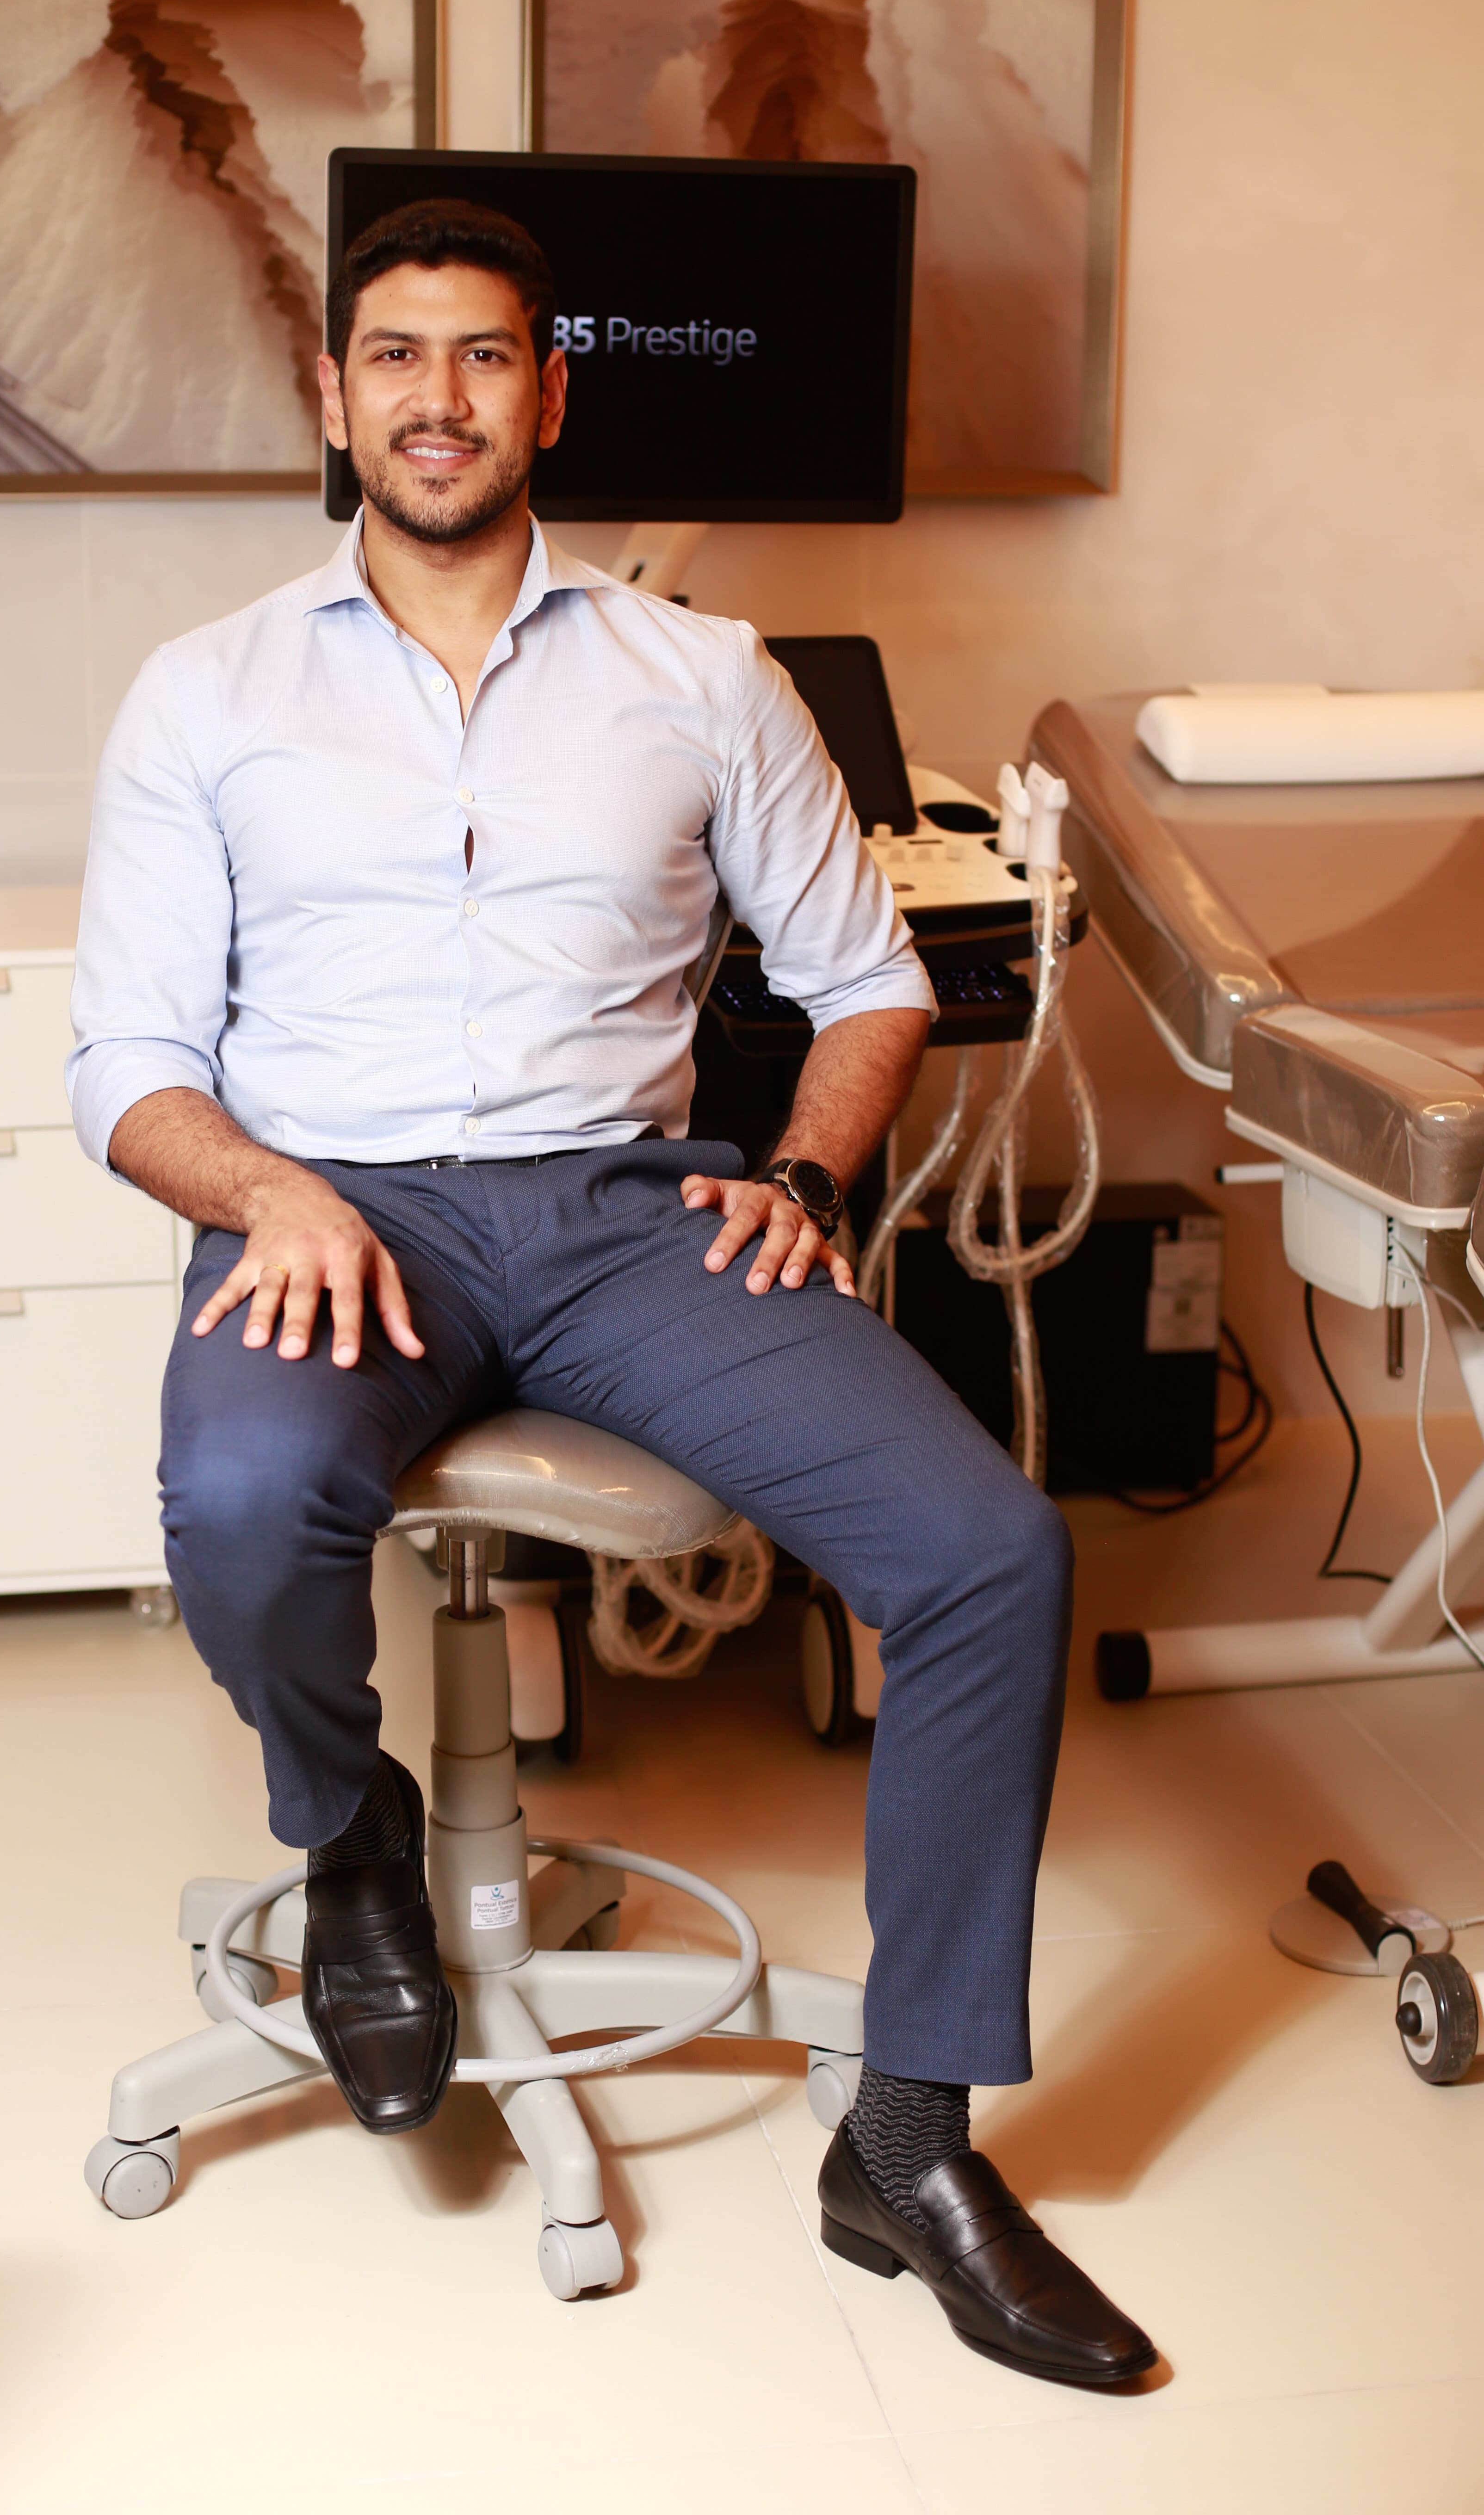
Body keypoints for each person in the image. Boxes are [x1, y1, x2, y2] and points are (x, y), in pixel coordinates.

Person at [68, 197, 1154, 2387]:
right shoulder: (210, 691)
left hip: (630, 1211)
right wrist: (265, 1194)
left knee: (987, 1555)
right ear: (337, 395)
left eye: (482, 357)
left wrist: (814, 1176)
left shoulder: (704, 674)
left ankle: (914, 2133)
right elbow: (131, 1069)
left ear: (550, 392)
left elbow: (867, 986)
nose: (438, 398)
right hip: (333, 1207)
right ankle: (353, 1831)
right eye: (396, 357)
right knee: (246, 1509)